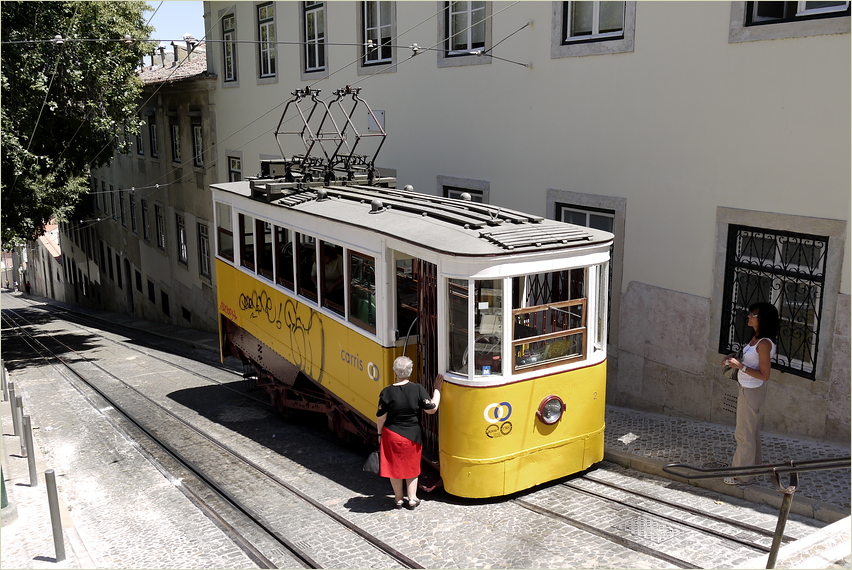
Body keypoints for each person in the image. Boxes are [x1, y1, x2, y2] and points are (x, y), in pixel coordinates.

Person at [721, 302, 779, 486]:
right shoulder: (755, 338)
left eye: (753, 314)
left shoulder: (764, 344)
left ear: (763, 319)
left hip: (752, 391)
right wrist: (732, 357)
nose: (749, 316)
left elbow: (765, 375)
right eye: (750, 313)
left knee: (743, 433)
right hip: (746, 388)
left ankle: (741, 476)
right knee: (750, 431)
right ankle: (754, 467)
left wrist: (741, 367)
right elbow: (748, 360)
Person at [375, 356, 442, 509]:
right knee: (411, 466)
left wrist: (379, 436)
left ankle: (398, 499)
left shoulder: (386, 392)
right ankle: (412, 499)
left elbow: (380, 418)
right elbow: (431, 409)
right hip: (412, 435)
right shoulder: (417, 389)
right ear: (410, 371)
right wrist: (437, 390)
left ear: (395, 372)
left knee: (393, 467)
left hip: (391, 434)